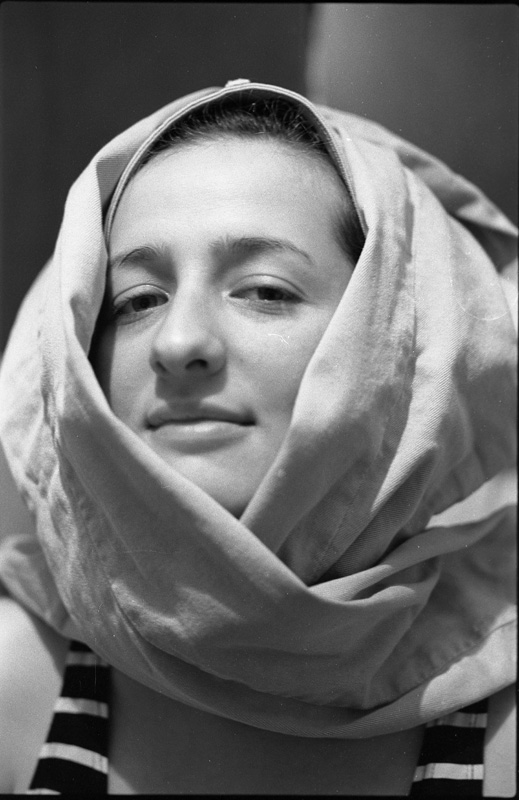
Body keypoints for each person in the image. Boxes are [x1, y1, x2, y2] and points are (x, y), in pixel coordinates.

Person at [0, 80, 516, 795]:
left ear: (401, 346)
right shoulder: (15, 679)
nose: (178, 342)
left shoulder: (503, 720)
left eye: (265, 290)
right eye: (137, 300)